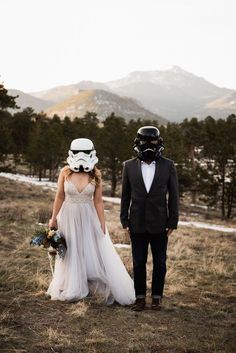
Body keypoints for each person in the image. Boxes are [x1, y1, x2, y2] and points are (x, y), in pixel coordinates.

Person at [47, 138, 135, 305]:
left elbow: (98, 201)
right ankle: (71, 284)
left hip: (88, 217)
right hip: (68, 216)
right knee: (70, 251)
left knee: (89, 250)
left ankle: (90, 284)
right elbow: (60, 196)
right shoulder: (65, 172)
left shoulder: (96, 174)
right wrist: (53, 219)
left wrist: (102, 224)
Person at [120, 126, 179, 311]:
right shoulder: (128, 166)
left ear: (159, 142)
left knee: (160, 263)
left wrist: (173, 221)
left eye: (152, 141)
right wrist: (124, 219)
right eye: (144, 141)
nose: (148, 145)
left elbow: (174, 196)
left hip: (160, 223)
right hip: (136, 222)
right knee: (138, 262)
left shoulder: (168, 165)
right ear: (137, 142)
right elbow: (125, 196)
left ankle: (156, 297)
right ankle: (139, 298)